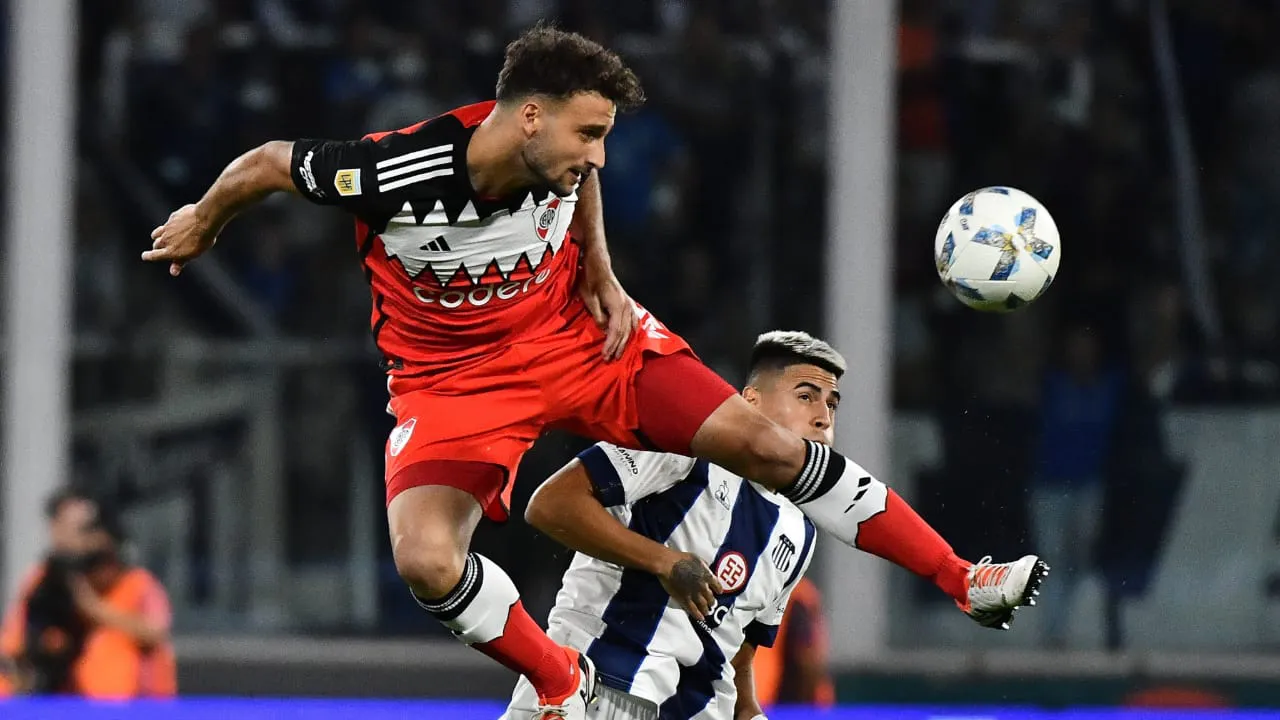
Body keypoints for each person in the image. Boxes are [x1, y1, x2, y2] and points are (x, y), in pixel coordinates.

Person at [143, 25, 1046, 719]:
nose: (599, 155)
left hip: (580, 341)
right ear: (529, 117)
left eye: (605, 134)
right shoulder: (395, 171)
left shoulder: (559, 158)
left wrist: (602, 274)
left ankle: (963, 578)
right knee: (426, 560)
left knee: (770, 448)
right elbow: (268, 163)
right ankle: (558, 681)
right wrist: (205, 221)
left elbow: (581, 184)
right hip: (453, 382)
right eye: (589, 133)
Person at [501, 332, 1045, 720]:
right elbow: (550, 505)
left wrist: (748, 707)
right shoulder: (680, 444)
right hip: (592, 689)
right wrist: (663, 561)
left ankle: (963, 578)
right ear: (749, 402)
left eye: (832, 403)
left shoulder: (800, 530)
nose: (823, 415)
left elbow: (742, 642)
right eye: (806, 396)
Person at [0, 492, 176, 698]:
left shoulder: (137, 583)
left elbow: (156, 631)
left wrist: (90, 605)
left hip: (135, 705)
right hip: (67, 702)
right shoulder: (46, 580)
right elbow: (16, 643)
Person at [751, 577, 835, 710]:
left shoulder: (799, 595)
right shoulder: (798, 593)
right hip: (765, 698)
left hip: (756, 696)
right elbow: (808, 656)